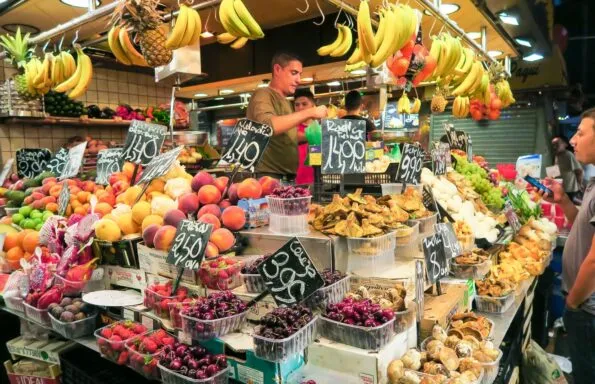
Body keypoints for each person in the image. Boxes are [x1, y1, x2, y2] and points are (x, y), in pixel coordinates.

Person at [540, 108, 595, 384]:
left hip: (587, 308)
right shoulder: (594, 185)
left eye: (581, 133)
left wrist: (572, 301)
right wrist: (562, 200)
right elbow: (580, 225)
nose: (573, 139)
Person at [246, 51, 327, 181]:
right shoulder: (263, 94)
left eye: (300, 74)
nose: (298, 80)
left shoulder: (285, 102)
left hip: (286, 178)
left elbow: (287, 136)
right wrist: (310, 112)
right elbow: (268, 126)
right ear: (277, 69)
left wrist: (315, 135)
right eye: (294, 73)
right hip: (269, 176)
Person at [293, 89, 316, 184]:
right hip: (293, 184)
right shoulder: (291, 128)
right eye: (297, 105)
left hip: (317, 183)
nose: (300, 108)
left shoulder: (320, 128)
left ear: (313, 106)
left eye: (304, 104)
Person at [552, 135, 583, 201]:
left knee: (570, 205)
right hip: (561, 188)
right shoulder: (556, 155)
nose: (554, 147)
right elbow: (555, 171)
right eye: (553, 145)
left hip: (570, 189)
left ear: (565, 144)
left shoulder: (569, 155)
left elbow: (579, 171)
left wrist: (579, 185)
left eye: (557, 144)